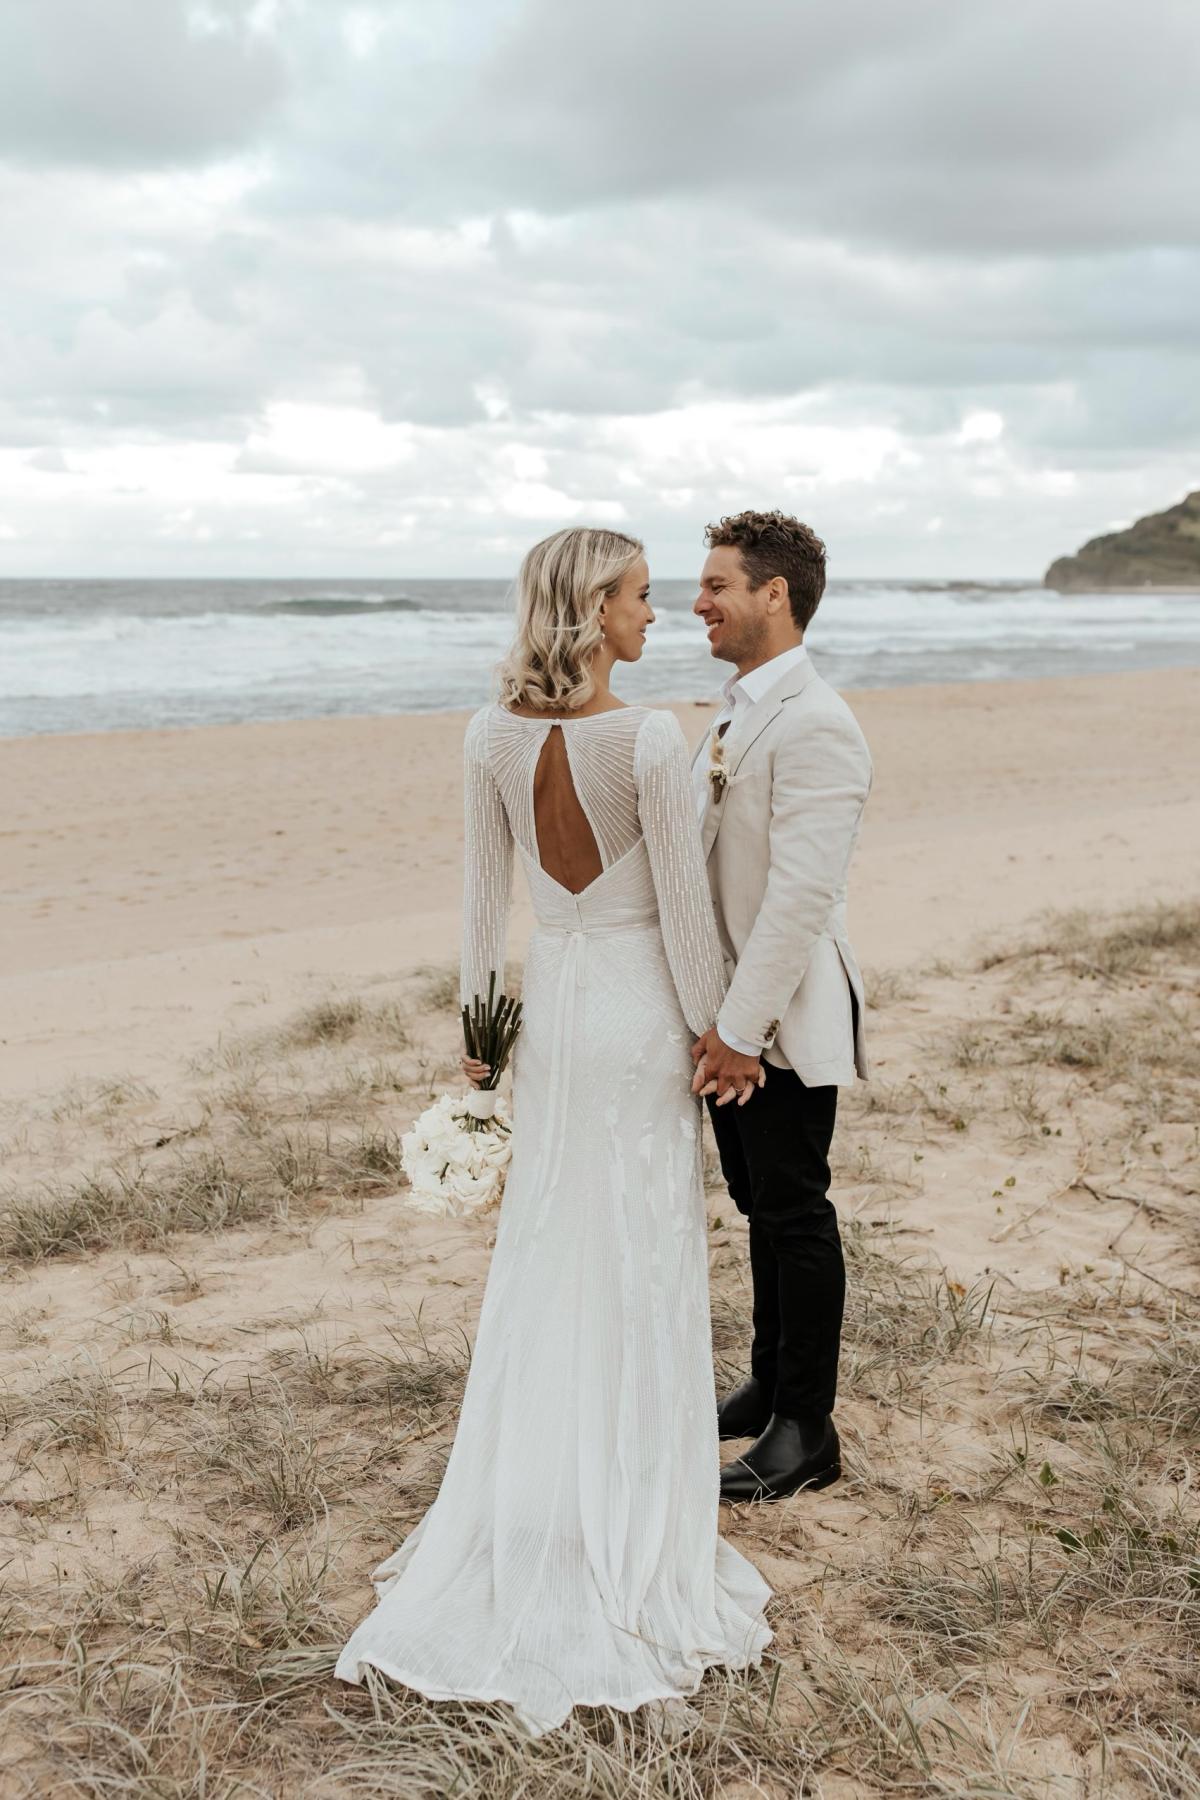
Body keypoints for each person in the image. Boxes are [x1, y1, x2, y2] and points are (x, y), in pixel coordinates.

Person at [334, 525, 771, 1737]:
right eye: (637, 598)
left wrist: (480, 1037)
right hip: (635, 1014)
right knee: (638, 1255)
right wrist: (724, 1039)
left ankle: (539, 1494)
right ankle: (626, 1521)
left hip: (558, 1013)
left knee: (551, 1247)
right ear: (589, 614)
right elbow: (685, 913)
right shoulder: (647, 738)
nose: (656, 615)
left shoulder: (488, 736)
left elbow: (482, 897)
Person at [690, 510, 872, 1503]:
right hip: (736, 1016)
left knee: (796, 1210)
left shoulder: (817, 724)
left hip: (782, 1019)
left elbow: (799, 898)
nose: (698, 601)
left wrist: (738, 1031)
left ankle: (808, 1426)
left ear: (775, 594)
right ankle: (767, 1384)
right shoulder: (738, 711)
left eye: (718, 584)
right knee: (760, 1204)